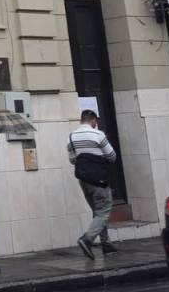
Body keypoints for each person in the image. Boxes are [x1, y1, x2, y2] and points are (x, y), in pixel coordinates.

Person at [69, 110, 119, 259]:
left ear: (81, 120)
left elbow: (72, 160)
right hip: (99, 180)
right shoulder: (98, 135)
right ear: (93, 121)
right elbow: (112, 156)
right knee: (104, 211)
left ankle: (106, 244)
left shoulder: (71, 137)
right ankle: (87, 239)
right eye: (96, 121)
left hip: (84, 180)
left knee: (98, 212)